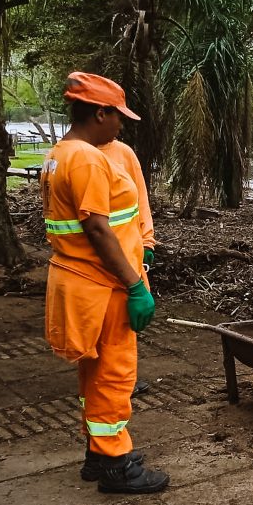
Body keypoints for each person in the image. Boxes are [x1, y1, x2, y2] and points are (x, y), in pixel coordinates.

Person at [41, 71, 168, 493]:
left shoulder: (61, 154)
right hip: (104, 285)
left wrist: (142, 247)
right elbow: (97, 228)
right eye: (118, 117)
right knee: (114, 373)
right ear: (100, 113)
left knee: (93, 373)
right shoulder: (90, 159)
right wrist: (134, 285)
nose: (121, 126)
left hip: (81, 280)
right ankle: (115, 463)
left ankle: (99, 451)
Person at [99, 137, 156, 399]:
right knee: (99, 328)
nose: (120, 125)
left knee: (122, 325)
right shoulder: (74, 157)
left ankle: (120, 380)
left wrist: (148, 241)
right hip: (94, 265)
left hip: (126, 256)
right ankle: (108, 380)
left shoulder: (123, 153)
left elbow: (140, 200)